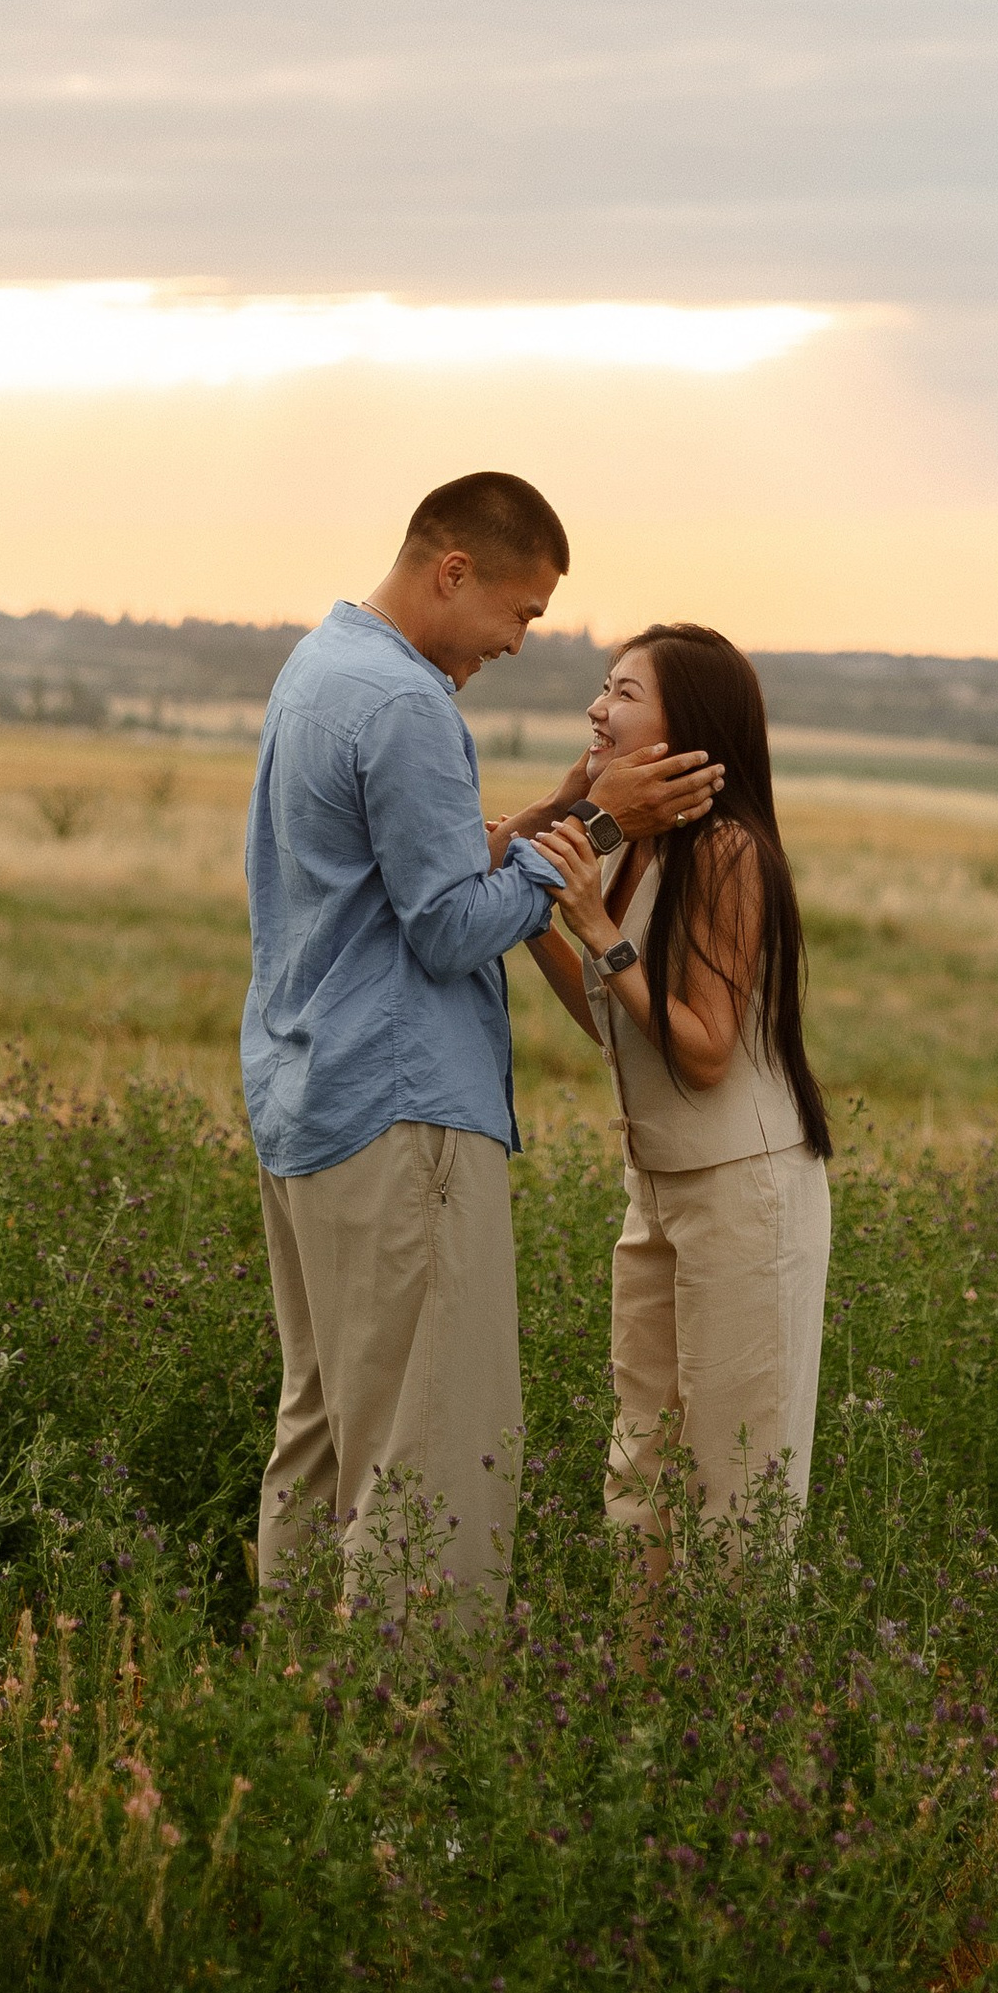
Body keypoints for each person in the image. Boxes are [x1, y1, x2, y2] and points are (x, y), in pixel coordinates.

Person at [243, 475, 723, 1604]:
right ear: (452, 571)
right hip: (401, 1106)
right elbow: (451, 928)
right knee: (433, 1441)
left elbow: (391, 878)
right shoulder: (409, 707)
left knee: (322, 1430)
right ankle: (408, 1730)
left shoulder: (318, 668)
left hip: (307, 1093)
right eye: (522, 612)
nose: (518, 642)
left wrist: (545, 816)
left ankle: (287, 1710)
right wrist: (608, 826)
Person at [525, 623, 833, 1571]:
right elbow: (623, 1026)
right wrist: (554, 892)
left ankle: (736, 1704)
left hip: (745, 1194)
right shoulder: (634, 847)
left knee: (737, 1482)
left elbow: (700, 1052)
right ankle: (644, 1694)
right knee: (643, 1463)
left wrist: (592, 928)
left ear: (685, 726)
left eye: (623, 692)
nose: (597, 707)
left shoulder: (730, 850)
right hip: (656, 1190)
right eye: (601, 687)